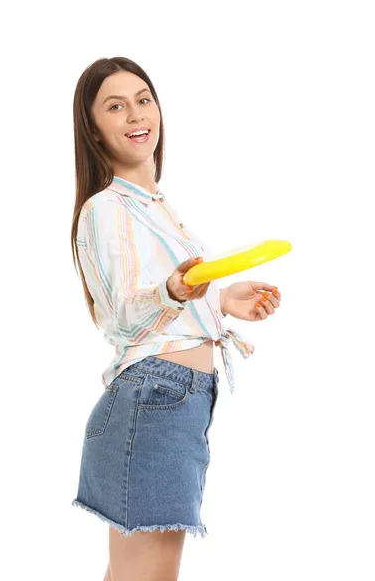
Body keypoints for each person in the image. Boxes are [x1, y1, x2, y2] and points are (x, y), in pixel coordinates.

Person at [70, 57, 282, 581]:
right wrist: (173, 287)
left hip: (170, 400)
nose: (136, 114)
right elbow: (123, 315)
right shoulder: (106, 208)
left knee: (134, 575)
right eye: (115, 106)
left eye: (143, 99)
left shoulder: (156, 208)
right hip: (156, 398)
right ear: (93, 129)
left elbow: (168, 303)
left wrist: (222, 299)